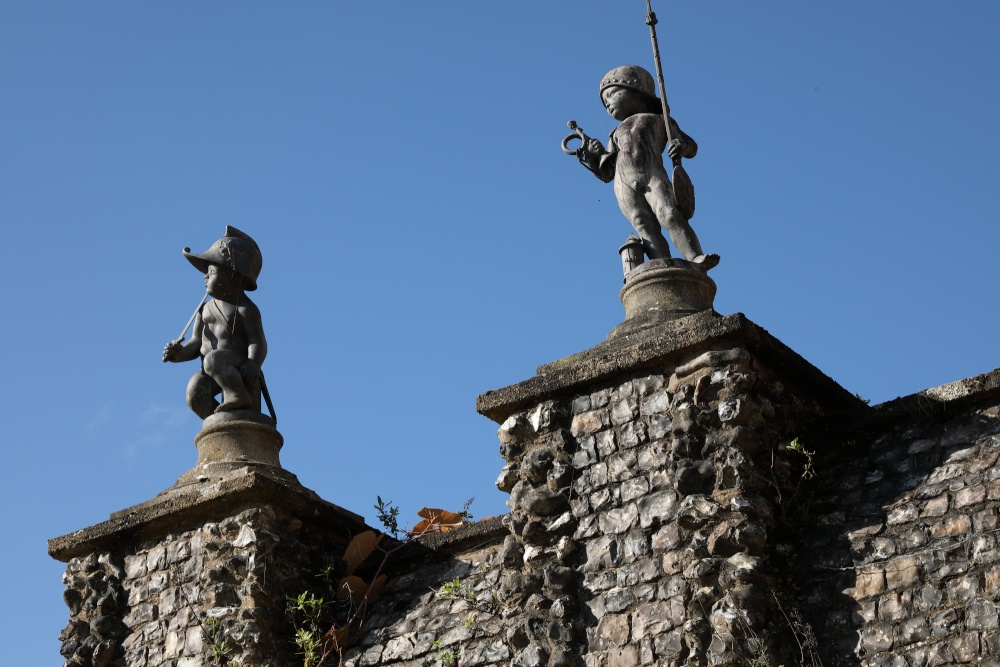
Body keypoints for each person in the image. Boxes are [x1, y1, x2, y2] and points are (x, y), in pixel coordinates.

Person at [579, 65, 718, 269]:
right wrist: (593, 157)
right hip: (622, 182)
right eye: (605, 102)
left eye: (612, 94)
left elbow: (692, 146)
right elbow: (607, 172)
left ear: (637, 90)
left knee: (669, 213)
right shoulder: (614, 133)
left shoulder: (661, 120)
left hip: (652, 175)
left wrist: (681, 146)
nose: (608, 104)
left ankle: (695, 256)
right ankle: (661, 265)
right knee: (644, 226)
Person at [163, 227, 267, 418]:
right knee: (194, 391)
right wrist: (180, 354)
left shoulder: (246, 309)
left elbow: (256, 340)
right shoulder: (204, 310)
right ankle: (222, 423)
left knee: (214, 359)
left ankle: (238, 395)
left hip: (236, 363)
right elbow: (196, 342)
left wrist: (253, 363)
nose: (205, 276)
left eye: (212, 271)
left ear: (233, 276)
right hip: (211, 368)